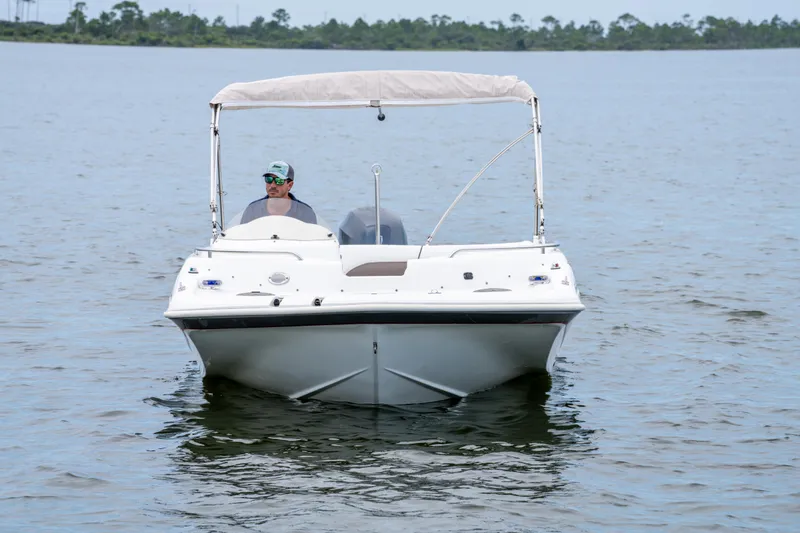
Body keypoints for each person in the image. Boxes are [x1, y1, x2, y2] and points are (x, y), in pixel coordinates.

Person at [239, 160, 317, 225]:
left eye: (279, 181)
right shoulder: (252, 210)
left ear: (290, 185)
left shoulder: (305, 212)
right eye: (269, 179)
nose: (272, 185)